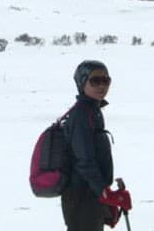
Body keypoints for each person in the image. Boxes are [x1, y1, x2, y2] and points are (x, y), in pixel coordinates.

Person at [62, 60, 115, 231]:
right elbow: (84, 159)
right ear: (82, 83)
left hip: (90, 192)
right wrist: (102, 190)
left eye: (106, 81)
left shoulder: (92, 111)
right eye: (95, 81)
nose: (102, 86)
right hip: (81, 195)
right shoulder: (81, 115)